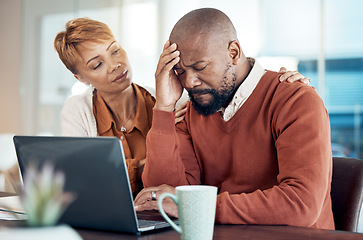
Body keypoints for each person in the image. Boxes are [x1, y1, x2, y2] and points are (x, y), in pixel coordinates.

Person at [54, 18, 307, 196]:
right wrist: (141, 166)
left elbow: (178, 189)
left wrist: (279, 84)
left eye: (115, 51)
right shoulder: (78, 111)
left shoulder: (178, 103)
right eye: (97, 65)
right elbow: (81, 182)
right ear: (81, 78)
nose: (115, 65)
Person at [134, 8, 334, 230]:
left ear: (234, 52)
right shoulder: (189, 112)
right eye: (180, 71)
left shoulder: (295, 100)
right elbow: (165, 199)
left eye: (199, 67)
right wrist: (164, 108)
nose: (189, 82)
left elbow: (300, 205)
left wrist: (198, 207)